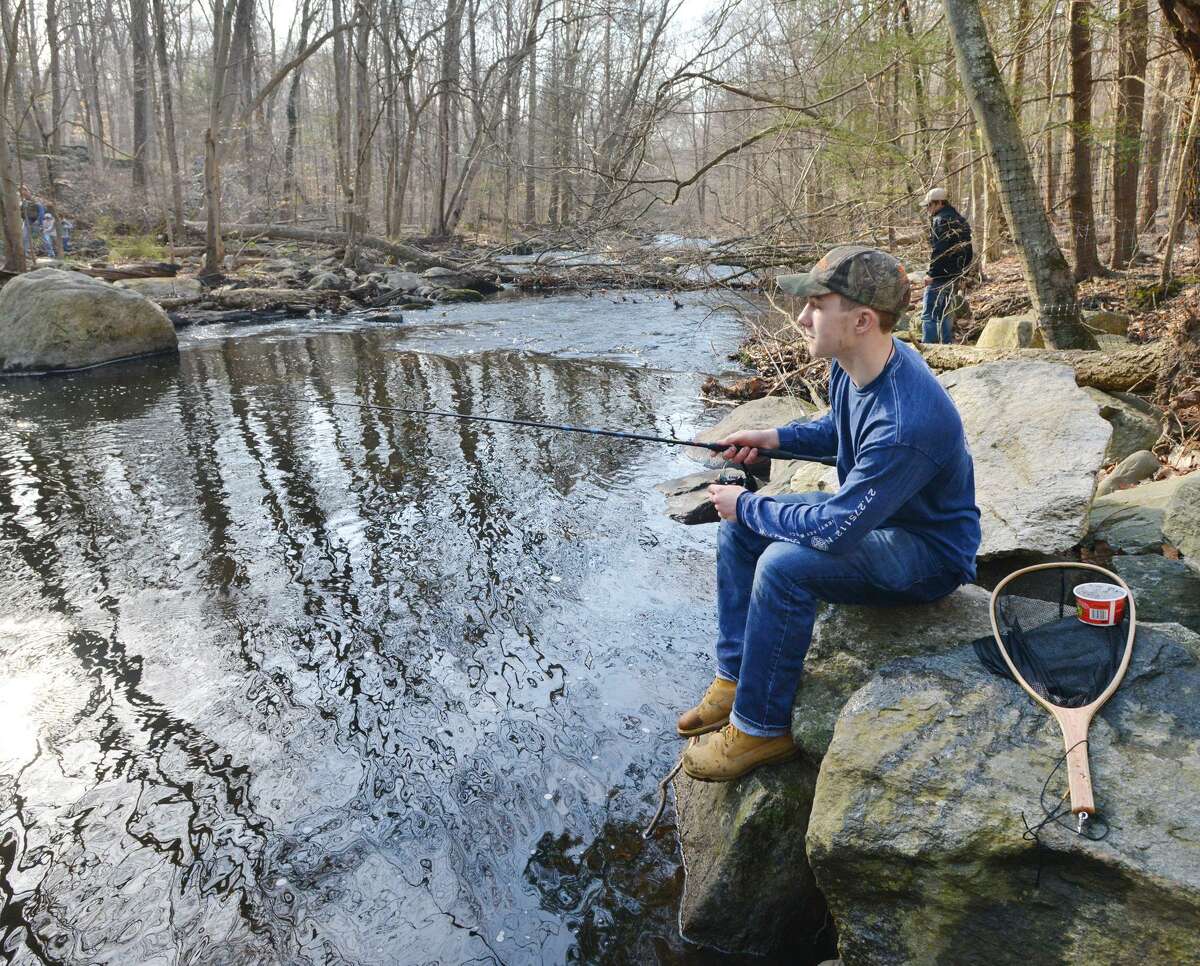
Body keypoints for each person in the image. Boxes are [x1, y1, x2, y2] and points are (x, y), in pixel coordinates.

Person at [677, 245, 981, 781]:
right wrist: (771, 438)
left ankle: (760, 728)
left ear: (862, 321)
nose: (801, 318)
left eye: (817, 306)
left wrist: (747, 503)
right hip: (875, 515)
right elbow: (836, 429)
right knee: (739, 533)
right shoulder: (854, 364)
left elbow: (837, 529)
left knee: (782, 565)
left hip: (927, 552)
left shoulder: (907, 422)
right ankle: (735, 677)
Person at [921, 188, 973, 345]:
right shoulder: (960, 220)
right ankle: (946, 345)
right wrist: (962, 272)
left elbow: (939, 251)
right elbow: (968, 250)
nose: (928, 209)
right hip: (955, 274)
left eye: (929, 205)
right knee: (946, 312)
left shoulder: (940, 220)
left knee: (929, 314)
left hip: (939, 276)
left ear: (939, 203)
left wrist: (931, 274)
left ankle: (928, 347)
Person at [19, 186, 44, 261]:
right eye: (21, 192)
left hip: (35, 221)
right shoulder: (23, 201)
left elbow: (41, 211)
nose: (22, 193)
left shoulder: (35, 200)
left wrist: (38, 221)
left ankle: (35, 252)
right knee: (24, 236)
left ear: (27, 191)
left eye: (23, 191)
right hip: (27, 220)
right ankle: (25, 252)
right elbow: (21, 211)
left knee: (35, 238)